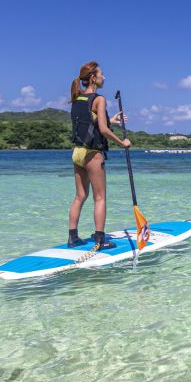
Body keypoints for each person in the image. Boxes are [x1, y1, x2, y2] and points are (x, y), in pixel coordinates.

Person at [67, 61, 130, 249]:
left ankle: (73, 237)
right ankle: (100, 239)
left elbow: (90, 122)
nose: (104, 77)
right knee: (100, 197)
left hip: (77, 153)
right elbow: (102, 130)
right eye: (101, 74)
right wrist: (122, 143)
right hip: (92, 154)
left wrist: (111, 120)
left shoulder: (77, 98)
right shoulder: (99, 99)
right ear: (93, 78)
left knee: (80, 196)